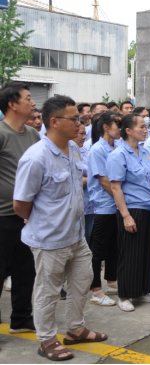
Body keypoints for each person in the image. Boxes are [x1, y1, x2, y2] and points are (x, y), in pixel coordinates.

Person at [14, 95, 108, 361]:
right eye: (75, 119)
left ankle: (75, 329)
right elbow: (21, 203)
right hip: (49, 239)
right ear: (54, 122)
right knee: (48, 290)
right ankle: (46, 341)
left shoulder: (73, 150)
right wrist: (41, 220)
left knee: (82, 283)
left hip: (76, 236)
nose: (81, 124)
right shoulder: (36, 157)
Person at [107, 114, 150, 312]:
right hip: (132, 209)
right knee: (130, 254)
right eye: (141, 126)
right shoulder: (118, 155)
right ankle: (124, 295)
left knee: (148, 252)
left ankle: (144, 291)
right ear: (128, 131)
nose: (145, 129)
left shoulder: (146, 152)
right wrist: (126, 216)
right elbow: (115, 188)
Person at [0, 83, 39, 335]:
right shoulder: (1, 133)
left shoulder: (34, 135)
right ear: (12, 104)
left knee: (26, 271)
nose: (33, 103)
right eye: (28, 98)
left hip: (28, 216)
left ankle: (21, 318)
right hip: (2, 216)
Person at [88, 111, 122, 307]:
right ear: (106, 127)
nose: (119, 128)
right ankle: (96, 290)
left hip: (115, 204)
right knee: (98, 249)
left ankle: (111, 281)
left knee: (113, 246)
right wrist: (121, 201)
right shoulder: (97, 150)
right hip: (105, 205)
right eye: (117, 125)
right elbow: (105, 182)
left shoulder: (115, 146)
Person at [73, 122, 95, 241]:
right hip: (77, 205)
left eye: (85, 134)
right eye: (81, 134)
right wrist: (94, 179)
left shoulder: (85, 150)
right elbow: (75, 180)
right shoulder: (68, 152)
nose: (84, 137)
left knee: (89, 237)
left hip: (89, 203)